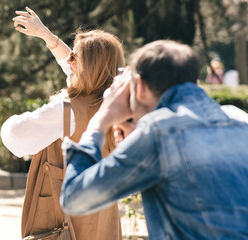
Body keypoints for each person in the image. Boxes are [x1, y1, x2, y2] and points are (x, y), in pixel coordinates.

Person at [60, 40, 248, 239]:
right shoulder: (239, 119)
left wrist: (100, 120)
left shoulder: (158, 134)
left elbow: (74, 198)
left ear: (139, 86)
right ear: (196, 83)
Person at [1, 7, 123, 240]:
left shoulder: (65, 111)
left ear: (88, 68)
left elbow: (15, 138)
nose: (69, 60)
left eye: (75, 57)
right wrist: (48, 36)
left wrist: (14, 119)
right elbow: (74, 70)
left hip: (66, 224)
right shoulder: (116, 104)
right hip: (103, 217)